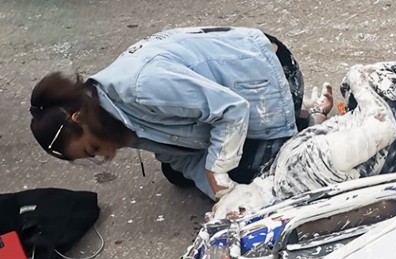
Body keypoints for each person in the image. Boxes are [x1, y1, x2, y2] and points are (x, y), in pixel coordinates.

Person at [29, 26, 326, 200]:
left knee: (259, 176)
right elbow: (180, 157)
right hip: (235, 93)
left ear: (78, 117)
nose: (103, 155)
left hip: (270, 74)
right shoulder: (108, 116)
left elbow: (233, 109)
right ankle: (294, 123)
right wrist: (223, 196)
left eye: (92, 148)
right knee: (177, 174)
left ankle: (306, 121)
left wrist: (218, 171)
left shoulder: (140, 86)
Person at [211, 35, 396, 219]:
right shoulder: (297, 171)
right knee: (359, 79)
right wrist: (359, 78)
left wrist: (318, 115)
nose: (211, 208)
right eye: (216, 209)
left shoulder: (278, 191)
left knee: (352, 96)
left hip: (387, 153)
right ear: (241, 211)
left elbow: (326, 153)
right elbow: (384, 129)